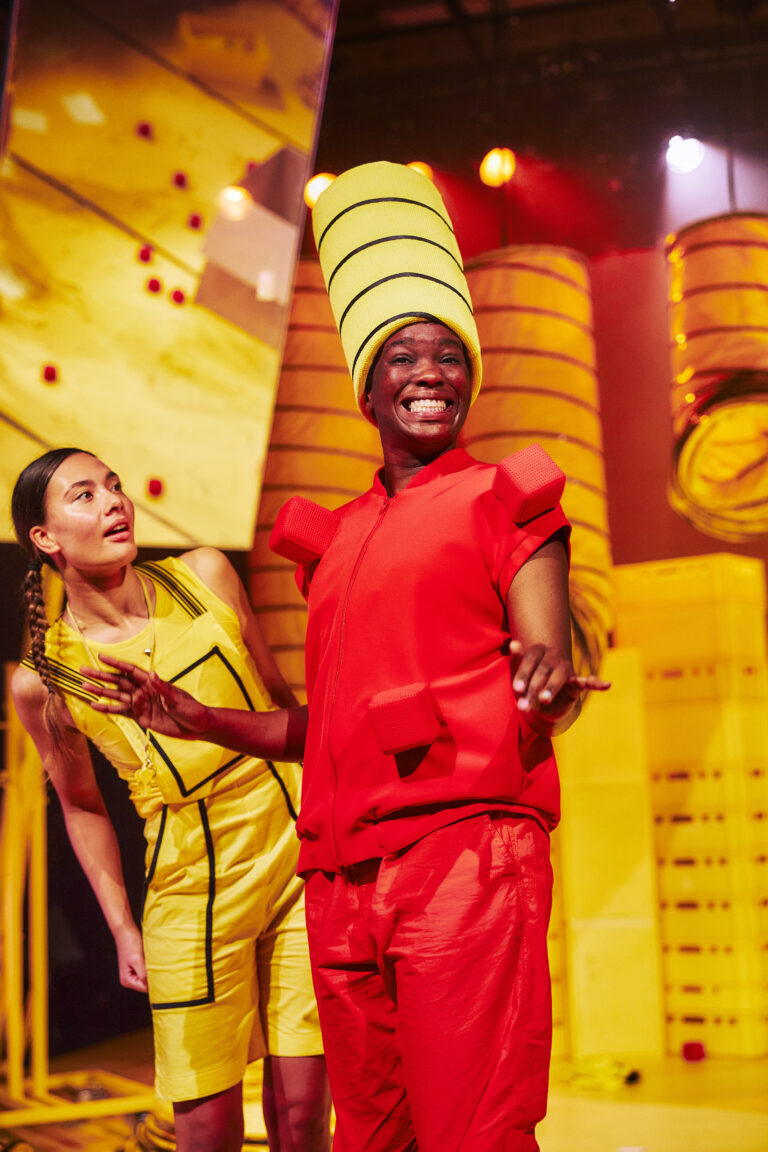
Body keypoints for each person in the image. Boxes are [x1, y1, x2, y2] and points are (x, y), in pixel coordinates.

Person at [83, 162, 610, 1152]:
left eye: (449, 357)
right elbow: (322, 729)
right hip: (338, 883)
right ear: (366, 388)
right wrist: (198, 718)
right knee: (373, 1138)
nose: (430, 373)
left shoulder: (505, 501)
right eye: (403, 356)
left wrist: (544, 680)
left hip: (462, 855)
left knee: (474, 1132)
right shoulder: (333, 545)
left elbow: (545, 654)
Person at [10, 447, 331, 1152]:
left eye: (115, 486)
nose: (114, 502)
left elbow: (281, 704)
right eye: (84, 495)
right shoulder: (46, 679)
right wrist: (122, 928)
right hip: (192, 889)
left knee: (305, 1112)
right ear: (45, 537)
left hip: (295, 864)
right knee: (207, 1130)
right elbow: (82, 805)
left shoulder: (205, 575)